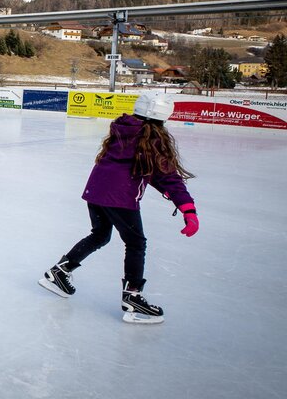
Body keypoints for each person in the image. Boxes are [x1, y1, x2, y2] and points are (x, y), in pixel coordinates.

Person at [38, 92, 199, 324]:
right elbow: (167, 177)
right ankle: (133, 297)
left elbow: (148, 171)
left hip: (96, 191)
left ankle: (59, 272)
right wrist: (188, 209)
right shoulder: (153, 139)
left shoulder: (122, 129)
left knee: (101, 235)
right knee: (136, 243)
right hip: (119, 197)